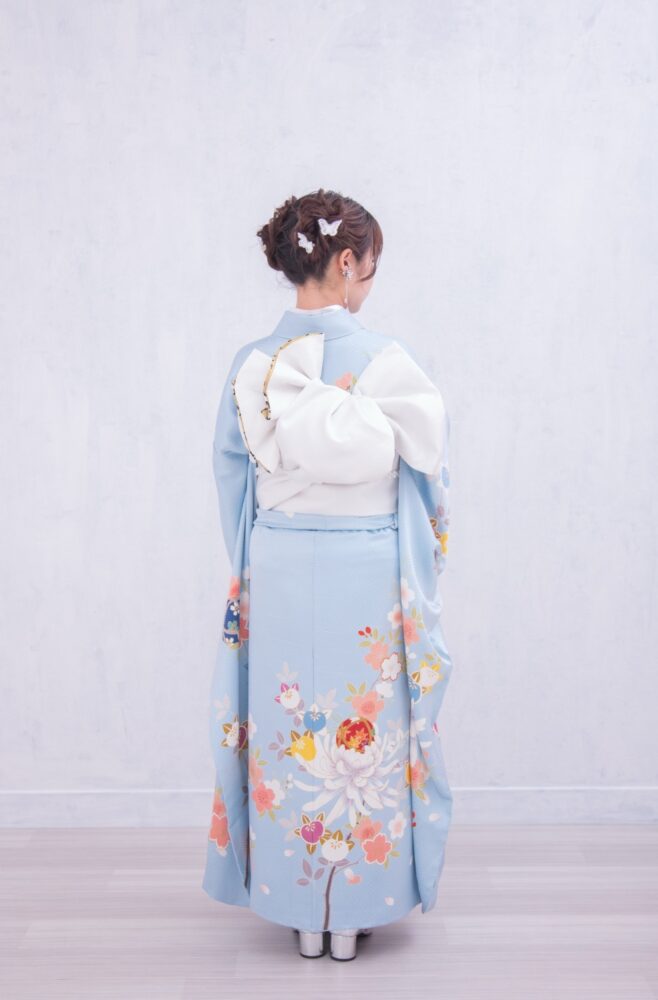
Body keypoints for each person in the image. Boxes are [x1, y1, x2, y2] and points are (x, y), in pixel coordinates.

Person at [202, 188, 454, 961]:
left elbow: (233, 483)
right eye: (369, 266)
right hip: (371, 568)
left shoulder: (254, 366)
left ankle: (298, 909)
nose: (370, 280)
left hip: (280, 567)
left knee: (290, 729)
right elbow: (429, 481)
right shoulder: (390, 364)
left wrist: (258, 559)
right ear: (346, 261)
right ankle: (356, 911)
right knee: (365, 730)